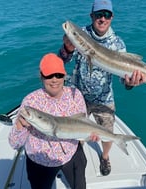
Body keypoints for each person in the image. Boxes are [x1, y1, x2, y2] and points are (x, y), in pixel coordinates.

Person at [58, 0, 146, 176]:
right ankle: (76, 154)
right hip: (77, 95)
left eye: (106, 15)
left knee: (108, 133)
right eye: (99, 14)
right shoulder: (80, 34)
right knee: (75, 133)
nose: (102, 19)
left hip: (104, 98)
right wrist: (67, 49)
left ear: (112, 17)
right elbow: (62, 61)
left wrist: (130, 83)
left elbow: (124, 80)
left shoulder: (118, 44)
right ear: (92, 16)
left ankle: (105, 157)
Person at [8, 53, 98, 189]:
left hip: (71, 153)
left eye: (59, 75)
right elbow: (15, 144)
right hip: (41, 161)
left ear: (64, 75)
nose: (54, 80)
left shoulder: (76, 95)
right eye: (49, 75)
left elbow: (83, 122)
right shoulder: (30, 102)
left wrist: (89, 136)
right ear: (41, 76)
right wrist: (20, 124)